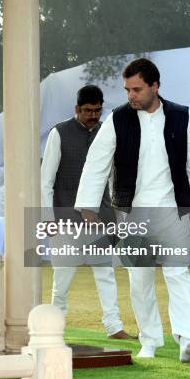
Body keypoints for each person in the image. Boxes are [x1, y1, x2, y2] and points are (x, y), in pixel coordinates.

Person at [75, 58, 190, 363]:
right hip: (132, 214)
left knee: (179, 274)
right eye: (127, 89)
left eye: (137, 89)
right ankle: (150, 341)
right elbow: (97, 162)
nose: (131, 95)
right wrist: (86, 206)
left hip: (172, 212)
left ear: (154, 86)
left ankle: (189, 337)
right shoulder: (118, 119)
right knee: (140, 279)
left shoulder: (182, 116)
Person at [41, 85, 133, 340]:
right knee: (62, 278)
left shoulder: (108, 133)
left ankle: (113, 327)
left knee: (106, 274)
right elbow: (46, 181)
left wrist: (120, 217)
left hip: (101, 218)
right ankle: (55, 329)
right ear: (76, 109)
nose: (93, 115)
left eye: (97, 110)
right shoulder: (59, 133)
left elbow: (115, 179)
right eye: (88, 111)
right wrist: (48, 218)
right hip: (65, 220)